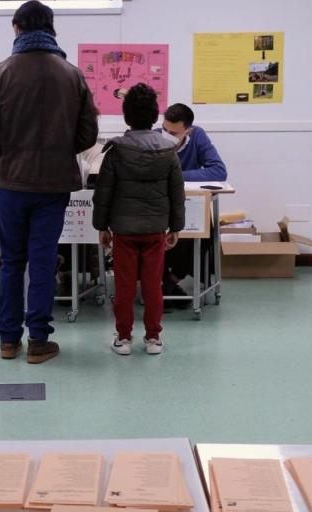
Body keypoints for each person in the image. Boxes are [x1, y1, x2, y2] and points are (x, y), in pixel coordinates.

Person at [0, 0, 98, 364]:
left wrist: (6, 154)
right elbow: (88, 134)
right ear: (51, 28)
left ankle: (8, 340)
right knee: (43, 261)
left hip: (11, 183)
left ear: (16, 28)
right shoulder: (72, 75)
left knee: (12, 262)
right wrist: (61, 150)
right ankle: (39, 341)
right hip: (54, 184)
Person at [93, 84, 185, 356]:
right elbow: (177, 193)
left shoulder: (116, 150)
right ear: (155, 116)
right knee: (153, 284)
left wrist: (102, 226)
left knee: (124, 285)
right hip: (155, 229)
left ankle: (123, 338)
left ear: (126, 116)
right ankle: (153, 338)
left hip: (124, 230)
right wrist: (176, 227)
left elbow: (103, 192)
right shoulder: (169, 150)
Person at [159, 103, 227, 308]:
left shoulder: (198, 136)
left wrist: (177, 176)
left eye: (173, 133)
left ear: (187, 130)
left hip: (189, 206)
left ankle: (170, 283)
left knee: (206, 232)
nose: (167, 136)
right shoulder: (154, 137)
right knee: (151, 235)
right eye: (165, 129)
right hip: (159, 207)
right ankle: (161, 285)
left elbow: (219, 171)